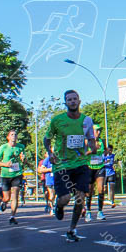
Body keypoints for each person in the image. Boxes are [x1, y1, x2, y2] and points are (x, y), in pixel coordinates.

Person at [44, 89, 97, 242]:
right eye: (69, 99)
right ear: (65, 103)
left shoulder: (87, 120)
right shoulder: (57, 120)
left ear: (79, 101)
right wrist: (50, 153)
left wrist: (92, 146)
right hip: (62, 165)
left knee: (80, 198)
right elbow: (47, 139)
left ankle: (72, 229)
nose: (73, 101)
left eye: (75, 99)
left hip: (80, 163)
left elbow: (91, 138)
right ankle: (58, 206)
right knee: (65, 198)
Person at [0, 131, 26, 225]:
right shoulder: (3, 147)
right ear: (8, 137)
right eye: (12, 135)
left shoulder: (21, 146)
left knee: (15, 195)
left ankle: (12, 216)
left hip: (17, 174)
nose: (14, 136)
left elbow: (24, 159)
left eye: (15, 134)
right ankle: (3, 202)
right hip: (5, 175)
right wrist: (5, 164)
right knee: (7, 197)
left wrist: (24, 159)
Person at [85, 126, 108, 222]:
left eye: (99, 130)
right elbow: (83, 154)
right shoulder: (87, 142)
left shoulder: (102, 141)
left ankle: (100, 211)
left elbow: (106, 151)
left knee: (101, 188)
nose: (98, 132)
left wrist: (105, 152)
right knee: (89, 190)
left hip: (100, 167)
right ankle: (88, 211)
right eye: (96, 130)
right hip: (89, 167)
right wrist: (92, 151)